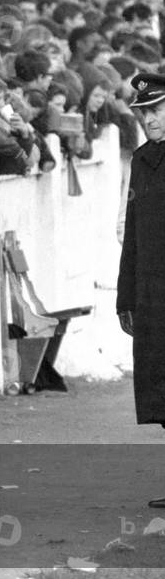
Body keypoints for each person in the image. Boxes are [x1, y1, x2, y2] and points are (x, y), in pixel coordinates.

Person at [119, 73, 165, 510]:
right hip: (153, 292)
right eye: (144, 112)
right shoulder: (141, 160)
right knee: (161, 387)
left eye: (155, 110)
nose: (148, 118)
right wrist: (125, 297)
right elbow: (132, 232)